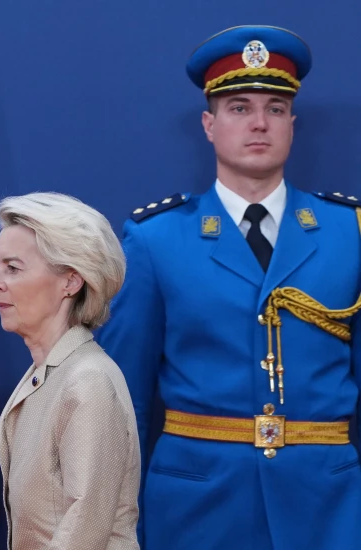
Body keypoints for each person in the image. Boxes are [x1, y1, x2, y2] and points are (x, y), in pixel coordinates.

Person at [95, 25, 361, 549]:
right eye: (239, 108)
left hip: (328, 507)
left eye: (276, 108)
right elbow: (125, 404)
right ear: (209, 124)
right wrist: (118, 524)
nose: (259, 123)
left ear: (292, 124)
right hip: (196, 509)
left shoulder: (348, 233)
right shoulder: (156, 239)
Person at [0, 192, 140, 550]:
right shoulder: (49, 374)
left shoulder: (87, 381)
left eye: (13, 268)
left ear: (70, 282)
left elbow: (83, 530)